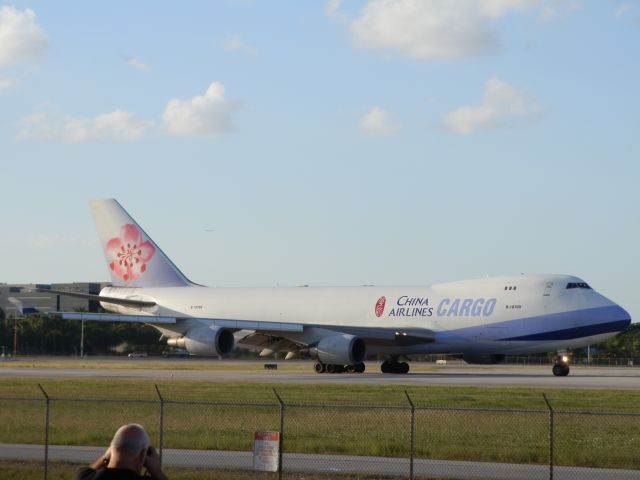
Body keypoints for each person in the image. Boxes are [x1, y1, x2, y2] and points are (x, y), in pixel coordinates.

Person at [75, 424, 168, 480]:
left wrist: (106, 457)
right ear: (143, 454)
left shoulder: (85, 477)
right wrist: (156, 471)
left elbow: (88, 472)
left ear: (111, 449)